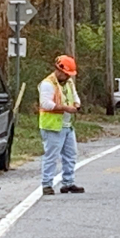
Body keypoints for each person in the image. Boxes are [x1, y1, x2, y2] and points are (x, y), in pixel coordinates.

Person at [38, 55, 84, 195]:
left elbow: (75, 96)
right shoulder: (47, 84)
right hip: (52, 126)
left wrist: (77, 104)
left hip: (67, 125)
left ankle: (68, 183)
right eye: (66, 74)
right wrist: (65, 108)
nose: (68, 77)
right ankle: (47, 185)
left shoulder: (69, 83)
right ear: (59, 70)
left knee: (71, 154)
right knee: (51, 156)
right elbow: (45, 103)